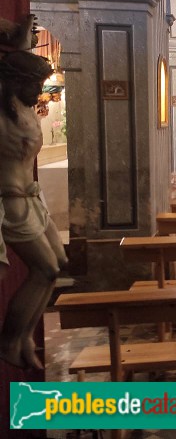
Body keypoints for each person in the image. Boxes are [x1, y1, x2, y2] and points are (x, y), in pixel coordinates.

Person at [0, 49, 68, 370]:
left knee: (59, 263)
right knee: (45, 269)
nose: (39, 91)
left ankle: (25, 335)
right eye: (34, 83)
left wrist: (20, 37)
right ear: (13, 81)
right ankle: (10, 339)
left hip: (31, 198)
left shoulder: (24, 109)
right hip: (11, 201)